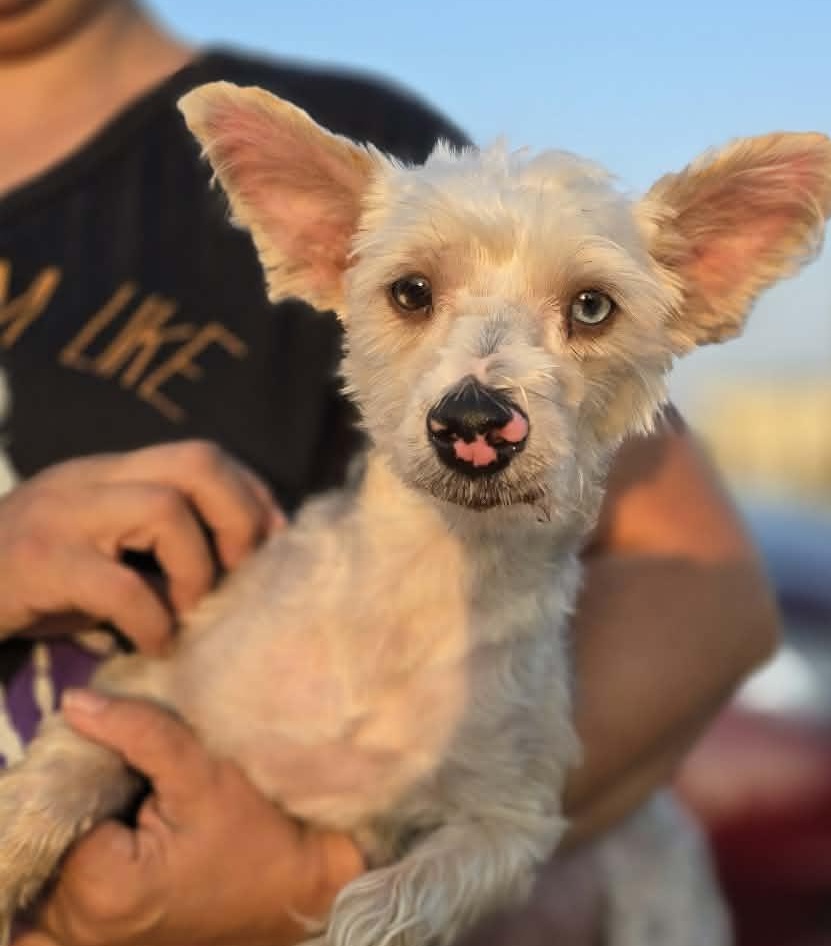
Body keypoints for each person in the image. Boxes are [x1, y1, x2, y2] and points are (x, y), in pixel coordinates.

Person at [0, 1, 780, 944]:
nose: (482, 392)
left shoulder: (418, 166)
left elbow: (709, 590)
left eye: (586, 310)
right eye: (414, 294)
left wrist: (309, 888)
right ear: (319, 240)